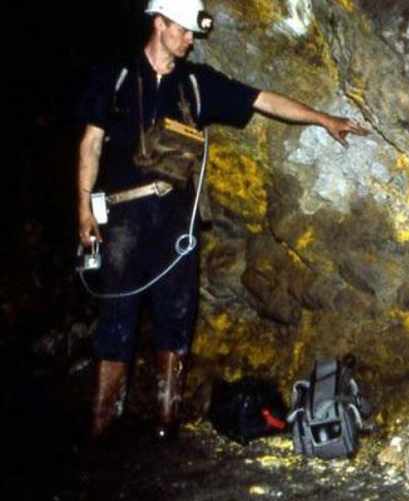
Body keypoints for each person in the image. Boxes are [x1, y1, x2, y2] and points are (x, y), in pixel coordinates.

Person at [77, 0, 367, 441]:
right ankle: (100, 426)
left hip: (177, 222)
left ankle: (166, 426)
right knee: (117, 317)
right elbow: (91, 144)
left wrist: (322, 118)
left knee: (176, 319)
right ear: (160, 23)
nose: (192, 40)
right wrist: (83, 209)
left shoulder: (196, 83)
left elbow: (262, 99)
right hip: (121, 220)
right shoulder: (114, 78)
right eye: (185, 30)